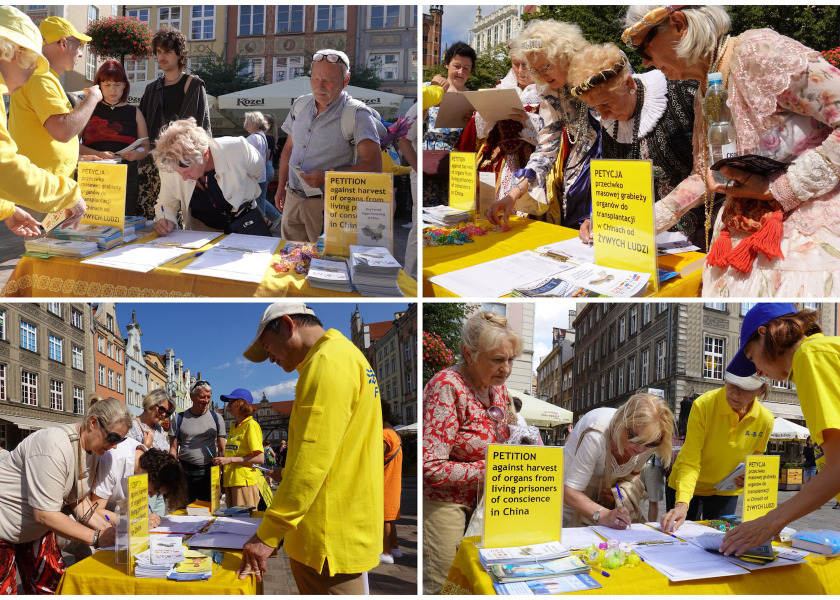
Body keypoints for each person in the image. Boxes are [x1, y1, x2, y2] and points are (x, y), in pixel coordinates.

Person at [623, 5, 840, 296]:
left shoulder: (759, 51)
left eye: (644, 50)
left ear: (678, 24)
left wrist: (784, 187)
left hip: (804, 240)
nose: (646, 63)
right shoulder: (707, 84)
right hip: (739, 243)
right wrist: (639, 224)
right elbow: (706, 174)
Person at [237, 303, 383, 594]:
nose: (270, 359)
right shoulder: (347, 355)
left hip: (325, 538)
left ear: (289, 325)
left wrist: (268, 534)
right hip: (346, 526)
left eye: (269, 348)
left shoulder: (326, 363)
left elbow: (310, 462)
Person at [721, 303, 840, 555]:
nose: (758, 371)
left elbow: (838, 466)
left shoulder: (811, 355)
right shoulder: (817, 353)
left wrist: (771, 521)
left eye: (752, 358)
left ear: (765, 333)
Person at [567, 43, 708, 247]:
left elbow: (711, 168)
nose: (603, 115)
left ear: (630, 85)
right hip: (647, 242)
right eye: (596, 108)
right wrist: (598, 217)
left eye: (606, 104)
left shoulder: (683, 93)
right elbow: (618, 187)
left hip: (702, 233)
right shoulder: (610, 124)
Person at [422, 312, 521, 594]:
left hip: (485, 502)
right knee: (447, 585)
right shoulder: (447, 386)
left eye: (510, 359)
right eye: (498, 360)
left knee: (483, 580)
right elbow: (430, 466)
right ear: (469, 354)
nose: (506, 369)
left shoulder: (498, 391)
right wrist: (493, 469)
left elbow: (508, 438)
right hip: (446, 503)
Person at [0, 397, 130, 594]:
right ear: (93, 423)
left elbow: (77, 502)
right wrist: (96, 538)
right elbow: (45, 514)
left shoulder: (92, 450)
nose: (115, 446)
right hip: (5, 525)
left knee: (52, 590)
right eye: (112, 438)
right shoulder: (54, 446)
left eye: (121, 440)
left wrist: (112, 533)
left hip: (35, 531)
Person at [488, 20, 596, 228]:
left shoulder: (595, 70)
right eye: (536, 71)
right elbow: (546, 147)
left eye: (545, 67)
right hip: (578, 175)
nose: (542, 76)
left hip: (615, 167)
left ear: (563, 55)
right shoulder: (549, 92)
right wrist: (514, 193)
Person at [276, 49, 382, 243]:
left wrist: (327, 177)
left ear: (346, 80)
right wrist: (281, 186)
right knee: (289, 262)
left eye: (328, 80)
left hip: (328, 206)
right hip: (293, 199)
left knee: (324, 265)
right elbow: (289, 149)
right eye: (315, 78)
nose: (319, 86)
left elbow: (374, 165)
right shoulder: (300, 104)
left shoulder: (357, 114)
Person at [0, 6, 86, 237]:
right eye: (33, 63)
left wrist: (5, 209)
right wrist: (69, 194)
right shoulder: (39, 81)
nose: (33, 74)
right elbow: (4, 166)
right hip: (36, 194)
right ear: (15, 54)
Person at [660, 372, 773, 533]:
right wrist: (682, 504)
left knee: (719, 540)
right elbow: (690, 461)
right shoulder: (703, 405)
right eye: (731, 384)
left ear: (762, 389)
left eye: (744, 388)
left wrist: (748, 474)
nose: (734, 392)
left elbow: (756, 456)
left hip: (724, 490)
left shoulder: (765, 419)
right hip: (685, 485)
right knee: (680, 537)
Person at [9, 16, 100, 188]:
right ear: (63, 44)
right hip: (39, 189)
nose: (81, 53)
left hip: (41, 185)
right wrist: (93, 98)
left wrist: (76, 158)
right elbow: (63, 131)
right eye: (79, 46)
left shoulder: (42, 77)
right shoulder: (41, 78)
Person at [563, 393, 674, 529]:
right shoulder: (596, 436)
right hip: (571, 493)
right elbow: (570, 492)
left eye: (650, 443)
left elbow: (634, 474)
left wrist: (614, 493)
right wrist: (604, 515)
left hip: (602, 490)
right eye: (637, 441)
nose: (641, 449)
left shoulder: (650, 440)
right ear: (623, 425)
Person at [138, 25, 211, 220]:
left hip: (182, 166)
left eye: (168, 51)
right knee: (153, 220)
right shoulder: (151, 89)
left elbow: (202, 129)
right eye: (159, 52)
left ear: (180, 54)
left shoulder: (193, 84)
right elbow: (142, 127)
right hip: (152, 166)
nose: (162, 56)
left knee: (180, 221)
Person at [152, 117, 264, 236]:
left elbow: (258, 172)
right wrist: (166, 219)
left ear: (204, 155)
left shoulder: (238, 148)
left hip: (246, 223)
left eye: (187, 171)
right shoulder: (169, 167)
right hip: (201, 231)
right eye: (179, 172)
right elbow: (167, 203)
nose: (184, 178)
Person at [475, 41, 545, 214]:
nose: (521, 71)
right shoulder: (502, 87)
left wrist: (527, 121)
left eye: (526, 65)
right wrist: (485, 112)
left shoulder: (545, 93)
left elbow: (553, 137)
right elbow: (481, 132)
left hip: (531, 161)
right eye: (516, 65)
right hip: (500, 160)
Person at [79, 60, 150, 216]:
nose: (113, 90)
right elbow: (72, 144)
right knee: (92, 220)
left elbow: (145, 145)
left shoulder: (135, 112)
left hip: (126, 175)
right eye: (107, 85)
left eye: (117, 84)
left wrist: (136, 154)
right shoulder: (88, 108)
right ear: (99, 86)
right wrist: (98, 154)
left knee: (124, 219)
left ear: (124, 85)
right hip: (94, 175)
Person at [422, 41, 476, 207]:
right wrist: (434, 92)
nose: (461, 72)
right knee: (428, 214)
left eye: (466, 68)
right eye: (457, 66)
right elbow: (414, 123)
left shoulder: (474, 97)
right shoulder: (429, 88)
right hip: (430, 160)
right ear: (446, 65)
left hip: (460, 163)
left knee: (456, 213)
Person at [91, 444, 187, 526]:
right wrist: (136, 522)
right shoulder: (114, 462)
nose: (151, 495)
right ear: (152, 474)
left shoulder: (144, 463)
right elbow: (96, 510)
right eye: (155, 490)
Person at [169, 379, 226, 505]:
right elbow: (173, 449)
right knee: (184, 510)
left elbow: (222, 450)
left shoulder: (217, 418)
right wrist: (173, 471)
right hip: (185, 471)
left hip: (209, 471)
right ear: (191, 396)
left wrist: (222, 472)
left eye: (208, 397)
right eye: (202, 397)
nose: (206, 401)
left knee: (209, 510)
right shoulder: (179, 418)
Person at [128, 388, 175, 516]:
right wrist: (145, 445)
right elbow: (130, 460)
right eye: (162, 409)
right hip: (144, 487)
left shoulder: (159, 429)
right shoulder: (132, 427)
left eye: (167, 412)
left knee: (159, 522)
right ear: (151, 404)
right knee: (145, 524)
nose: (164, 414)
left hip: (159, 488)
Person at [214, 388, 265, 509]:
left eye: (231, 403)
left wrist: (230, 460)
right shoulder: (234, 426)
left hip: (243, 483)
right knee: (233, 522)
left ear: (241, 403)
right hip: (231, 481)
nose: (228, 407)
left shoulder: (251, 425)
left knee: (243, 522)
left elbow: (260, 458)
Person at [243, 111, 281, 227]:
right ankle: (273, 219)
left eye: (247, 122)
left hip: (257, 174)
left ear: (255, 123)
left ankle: (263, 224)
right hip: (262, 173)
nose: (245, 125)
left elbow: (248, 158)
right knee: (260, 200)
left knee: (257, 201)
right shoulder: (262, 136)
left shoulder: (253, 138)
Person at [398, 102, 419, 279]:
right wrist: (418, 167)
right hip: (424, 174)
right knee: (419, 225)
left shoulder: (464, 98)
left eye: (466, 70)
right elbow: (403, 138)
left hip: (456, 171)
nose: (461, 71)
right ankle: (409, 274)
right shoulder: (423, 103)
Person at [382, 402, 403, 564]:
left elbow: (374, 455)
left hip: (385, 481)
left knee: (385, 518)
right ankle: (395, 548)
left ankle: (386, 552)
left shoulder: (384, 435)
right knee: (390, 517)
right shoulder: (392, 432)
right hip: (393, 480)